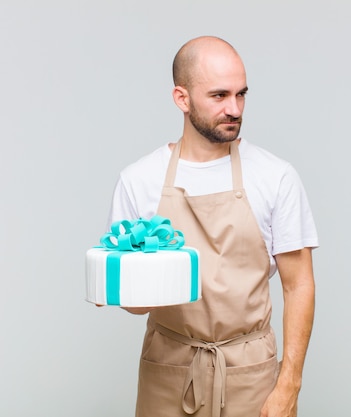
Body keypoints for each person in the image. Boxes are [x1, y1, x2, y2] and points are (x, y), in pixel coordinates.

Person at [105, 35, 318, 417]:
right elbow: (132, 305)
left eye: (241, 95)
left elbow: (298, 283)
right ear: (181, 99)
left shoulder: (275, 176)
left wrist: (289, 384)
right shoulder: (139, 180)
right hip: (168, 369)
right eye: (219, 96)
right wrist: (142, 282)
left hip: (250, 373)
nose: (234, 108)